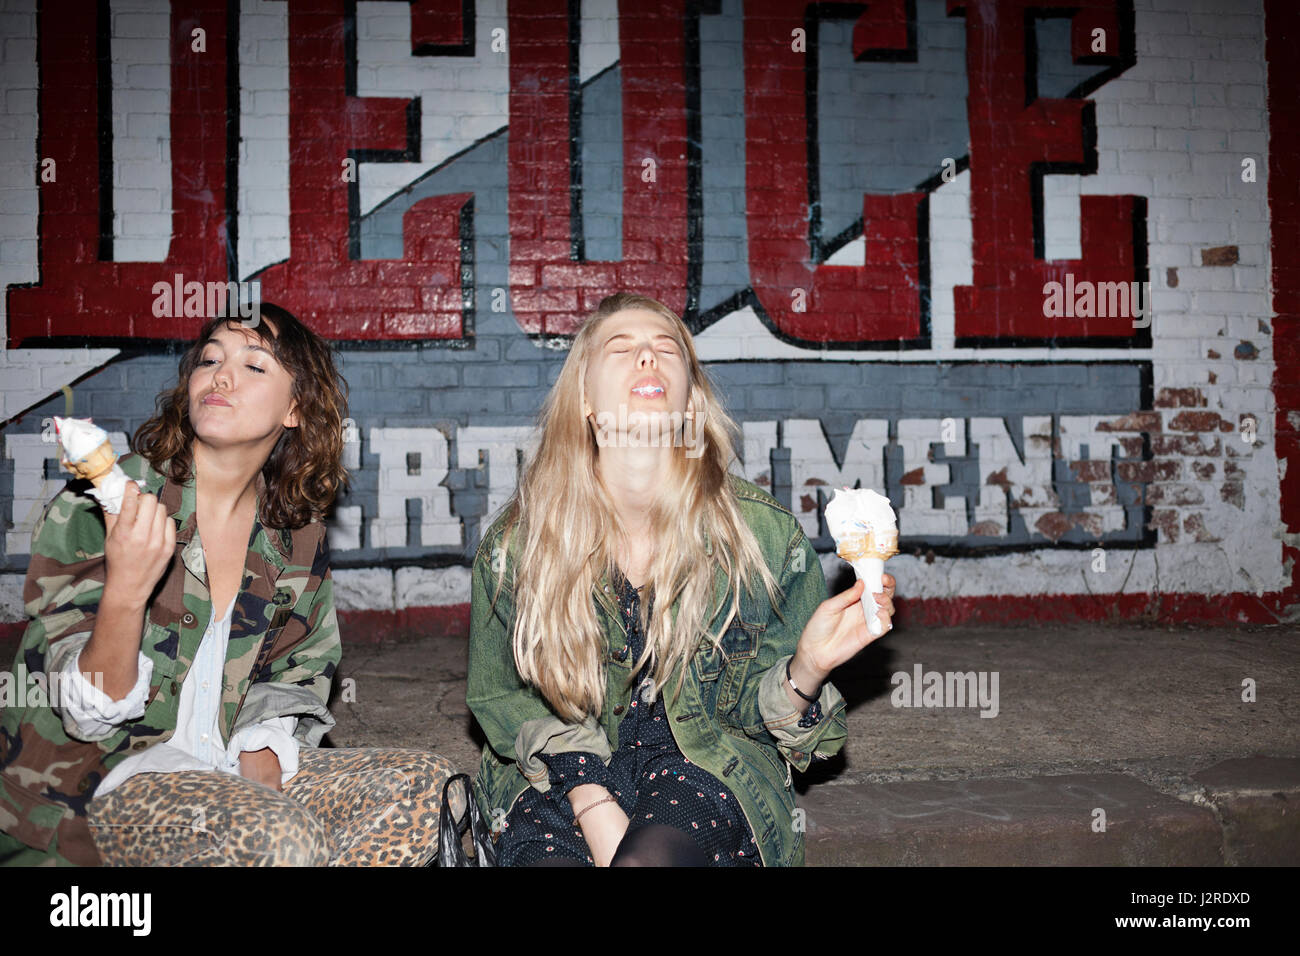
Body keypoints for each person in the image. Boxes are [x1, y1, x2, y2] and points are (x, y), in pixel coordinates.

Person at [0, 304, 455, 866]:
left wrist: (262, 748)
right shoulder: (105, 504)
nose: (220, 375)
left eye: (254, 366)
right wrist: (127, 590)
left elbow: (298, 666)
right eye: (210, 358)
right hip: (102, 782)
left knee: (429, 789)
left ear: (295, 409)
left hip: (219, 760)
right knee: (281, 839)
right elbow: (84, 713)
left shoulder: (294, 532)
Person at [466, 292, 897, 867]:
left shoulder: (762, 538)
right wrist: (593, 801)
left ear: (691, 397)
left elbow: (773, 725)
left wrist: (806, 671)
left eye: (667, 349)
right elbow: (502, 697)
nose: (648, 357)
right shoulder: (517, 545)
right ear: (586, 399)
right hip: (556, 772)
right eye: (622, 349)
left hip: (706, 763)